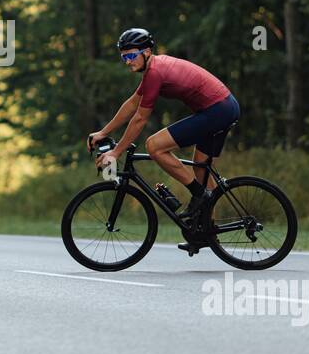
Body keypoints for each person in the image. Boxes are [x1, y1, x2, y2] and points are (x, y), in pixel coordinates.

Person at [87, 28, 240, 223]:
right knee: (201, 168)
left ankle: (199, 195)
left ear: (147, 52)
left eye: (132, 55)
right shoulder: (153, 69)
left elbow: (140, 118)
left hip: (218, 110)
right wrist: (103, 132)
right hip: (223, 108)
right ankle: (206, 229)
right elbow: (132, 103)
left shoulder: (155, 72)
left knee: (154, 146)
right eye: (123, 57)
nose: (127, 61)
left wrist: (116, 152)